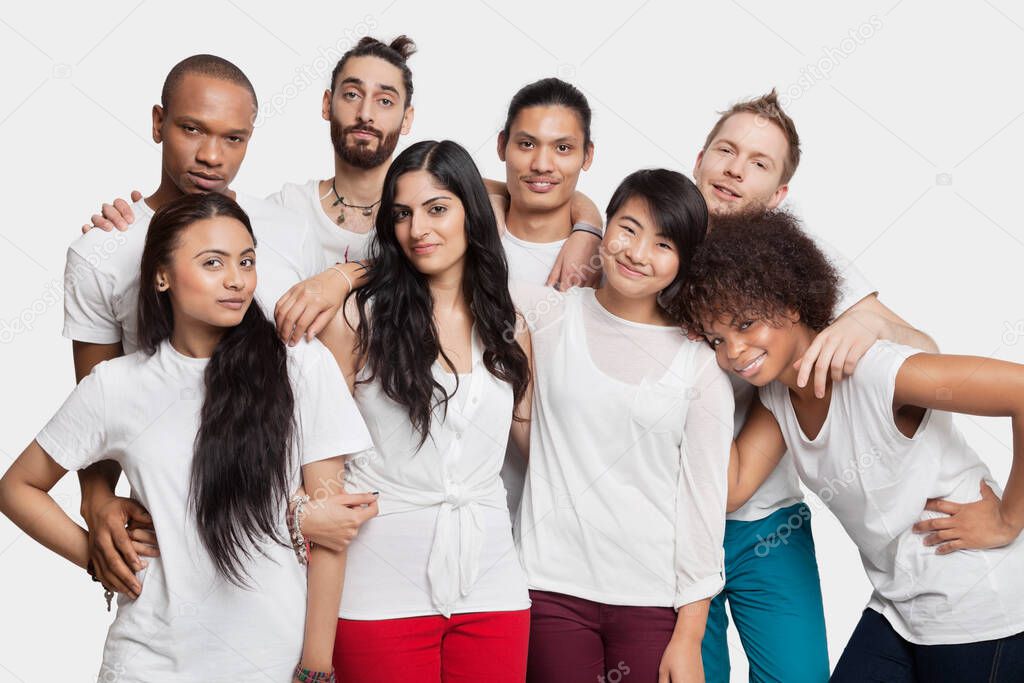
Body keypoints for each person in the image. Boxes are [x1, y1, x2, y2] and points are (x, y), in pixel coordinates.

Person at [0, 192, 377, 682]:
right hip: (149, 662)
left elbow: (332, 531)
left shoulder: (299, 365)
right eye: (213, 263)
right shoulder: (117, 385)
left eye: (246, 261)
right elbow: (17, 488)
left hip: (271, 662)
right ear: (161, 275)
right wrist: (97, 557)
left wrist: (316, 667)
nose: (237, 279)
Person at [678, 209, 1024, 682]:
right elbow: (732, 487)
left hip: (978, 609)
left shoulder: (877, 371)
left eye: (746, 324)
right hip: (899, 609)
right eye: (718, 337)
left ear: (791, 304)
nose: (732, 351)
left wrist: (1009, 518)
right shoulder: (779, 396)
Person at [691, 90, 939, 683]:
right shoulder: (659, 248)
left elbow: (923, 350)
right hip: (673, 518)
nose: (734, 168)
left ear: (778, 195)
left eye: (758, 162)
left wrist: (858, 320)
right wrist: (583, 226)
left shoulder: (796, 259)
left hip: (768, 520)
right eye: (725, 150)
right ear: (698, 159)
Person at [64, 53, 334, 599]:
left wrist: (344, 276)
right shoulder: (103, 250)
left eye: (234, 139)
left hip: (276, 531)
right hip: (165, 525)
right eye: (192, 129)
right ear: (159, 122)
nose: (212, 156)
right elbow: (93, 405)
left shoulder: (286, 227)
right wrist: (97, 508)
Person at [315, 139, 534, 682]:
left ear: (471, 214)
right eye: (403, 214)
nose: (418, 230)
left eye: (437, 208)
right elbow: (317, 465)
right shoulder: (354, 320)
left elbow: (538, 450)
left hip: (492, 584)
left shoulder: (511, 325)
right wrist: (314, 652)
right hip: (378, 581)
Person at [512, 169, 734, 682]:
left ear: (684, 261)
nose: (637, 253)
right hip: (550, 586)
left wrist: (690, 634)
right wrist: (582, 223)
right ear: (606, 226)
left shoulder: (699, 366)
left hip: (652, 600)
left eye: (663, 243)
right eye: (627, 228)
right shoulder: (547, 314)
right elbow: (451, 229)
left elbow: (702, 507)